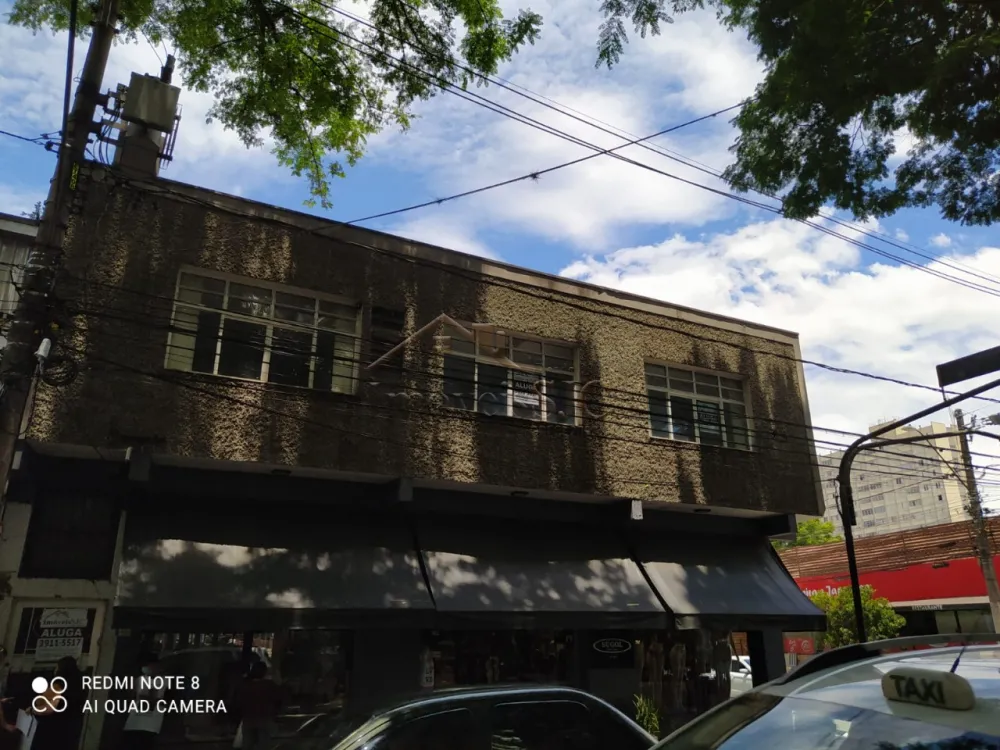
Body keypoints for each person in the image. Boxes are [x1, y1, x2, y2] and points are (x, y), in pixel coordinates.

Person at [31, 656, 86, 750]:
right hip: (71, 731)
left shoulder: (59, 685)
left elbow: (48, 707)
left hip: (53, 730)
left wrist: (33, 710)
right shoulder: (80, 685)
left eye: (57, 667)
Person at [121, 653, 165, 750]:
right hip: (134, 723)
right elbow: (131, 697)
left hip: (150, 726)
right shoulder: (139, 680)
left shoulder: (163, 681)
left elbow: (159, 701)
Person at [234, 662, 281, 750]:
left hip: (248, 719)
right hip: (264, 719)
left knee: (247, 744)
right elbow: (279, 698)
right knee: (263, 745)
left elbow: (238, 702)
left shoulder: (244, 685)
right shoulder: (269, 685)